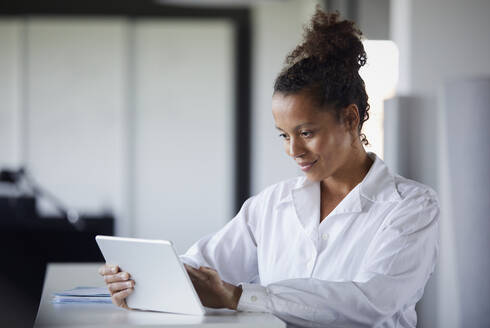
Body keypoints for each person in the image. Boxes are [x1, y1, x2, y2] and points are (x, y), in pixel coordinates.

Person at [99, 7, 439, 328]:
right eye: (284, 135)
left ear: (350, 119)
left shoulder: (411, 206)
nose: (294, 150)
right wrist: (142, 283)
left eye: (306, 133)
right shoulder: (273, 204)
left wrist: (237, 295)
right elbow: (202, 266)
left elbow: (371, 302)